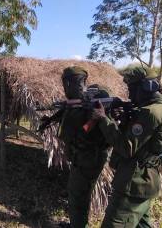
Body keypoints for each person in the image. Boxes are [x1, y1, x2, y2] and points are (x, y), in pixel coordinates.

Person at [91, 67, 162, 228]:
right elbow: (147, 141)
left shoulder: (149, 113)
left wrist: (104, 119)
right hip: (147, 181)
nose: (129, 95)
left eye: (132, 89)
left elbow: (126, 148)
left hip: (133, 184)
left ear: (147, 87)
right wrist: (125, 121)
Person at [55, 66, 111, 228]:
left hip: (86, 160)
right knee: (80, 196)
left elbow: (65, 135)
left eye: (66, 83)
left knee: (77, 198)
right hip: (93, 157)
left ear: (68, 83)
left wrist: (67, 114)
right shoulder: (94, 99)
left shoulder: (82, 108)